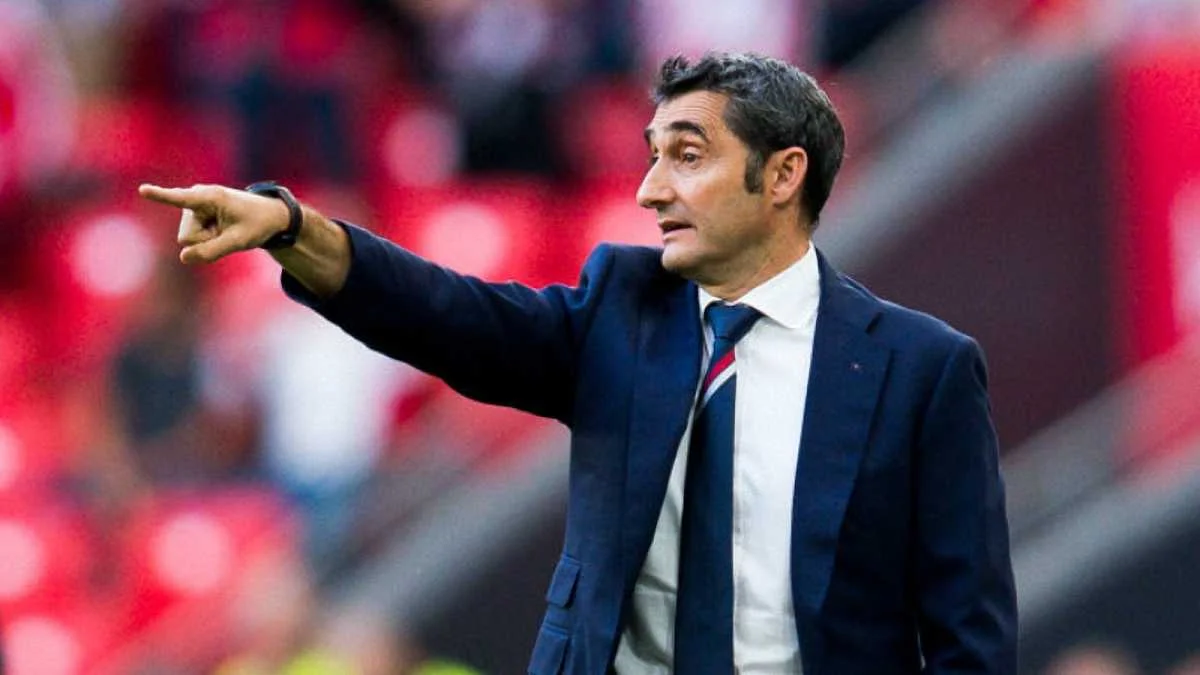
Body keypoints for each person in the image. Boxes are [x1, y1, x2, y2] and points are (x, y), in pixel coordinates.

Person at [140, 51, 1017, 675]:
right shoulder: (619, 312)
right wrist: (293, 228)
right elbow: (445, 316)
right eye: (651, 157)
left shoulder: (920, 369)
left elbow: (969, 638)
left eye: (687, 156)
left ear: (784, 174)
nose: (650, 188)